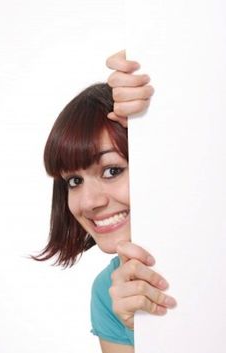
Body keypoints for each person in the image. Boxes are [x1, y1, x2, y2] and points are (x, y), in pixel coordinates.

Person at [33, 50, 177, 353]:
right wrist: (151, 333)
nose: (88, 202)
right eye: (74, 181)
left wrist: (164, 66)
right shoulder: (109, 292)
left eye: (112, 170)